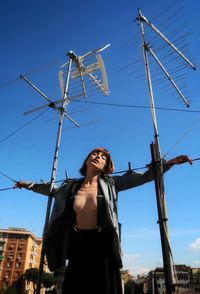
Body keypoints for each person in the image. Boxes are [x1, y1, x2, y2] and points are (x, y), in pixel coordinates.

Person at [15, 147, 192, 294]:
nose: (98, 157)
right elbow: (51, 189)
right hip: (78, 245)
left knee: (104, 288)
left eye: (103, 157)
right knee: (75, 288)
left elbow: (144, 177)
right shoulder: (70, 187)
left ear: (107, 166)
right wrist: (28, 185)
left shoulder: (112, 184)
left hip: (103, 245)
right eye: (95, 154)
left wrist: (169, 164)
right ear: (86, 160)